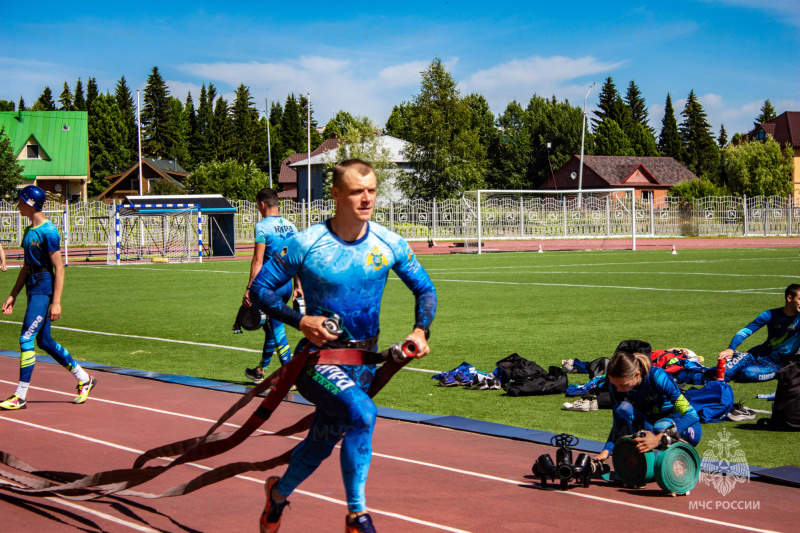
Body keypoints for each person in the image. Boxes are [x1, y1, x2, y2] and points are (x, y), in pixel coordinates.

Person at [249, 159, 437, 533]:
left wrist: (420, 331)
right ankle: (357, 516)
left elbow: (425, 290)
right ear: (335, 194)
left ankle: (277, 496)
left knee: (321, 442)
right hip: (319, 363)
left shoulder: (390, 243)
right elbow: (260, 290)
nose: (366, 199)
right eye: (356, 191)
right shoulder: (306, 243)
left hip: (365, 364)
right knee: (363, 414)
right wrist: (300, 320)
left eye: (371, 190)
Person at [0, 185, 96, 410]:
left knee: (26, 338)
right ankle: (84, 379)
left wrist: (56, 301)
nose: (17, 205)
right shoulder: (28, 232)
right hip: (32, 288)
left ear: (30, 204)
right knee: (44, 341)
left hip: (43, 290)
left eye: (21, 201)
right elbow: (26, 267)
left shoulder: (49, 232)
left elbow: (59, 268)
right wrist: (13, 294)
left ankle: (20, 396)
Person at [595, 345, 701, 463]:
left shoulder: (657, 377)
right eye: (615, 385)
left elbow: (692, 415)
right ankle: (635, 456)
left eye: (623, 385)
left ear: (637, 374)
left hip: (682, 425)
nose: (618, 389)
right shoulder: (616, 386)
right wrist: (607, 450)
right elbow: (619, 422)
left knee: (660, 426)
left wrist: (658, 439)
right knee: (622, 409)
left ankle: (675, 461)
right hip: (652, 424)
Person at [242, 188, 302, 384]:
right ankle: (260, 371)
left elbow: (257, 260)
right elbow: (297, 259)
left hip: (269, 287)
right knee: (271, 327)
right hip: (286, 285)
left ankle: (290, 377)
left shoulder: (262, 227)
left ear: (261, 204)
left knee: (276, 328)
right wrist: (297, 286)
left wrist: (250, 289)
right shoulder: (292, 226)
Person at [716, 283, 800, 382]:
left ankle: (742, 364)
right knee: (723, 372)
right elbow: (746, 331)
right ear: (789, 298)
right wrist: (730, 349)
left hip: (776, 364)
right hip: (756, 354)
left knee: (748, 374)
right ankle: (738, 359)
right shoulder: (770, 314)